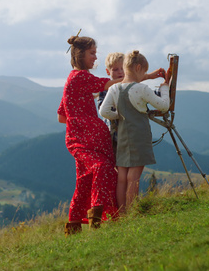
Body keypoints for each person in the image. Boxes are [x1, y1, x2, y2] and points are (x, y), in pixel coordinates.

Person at [57, 35, 123, 236]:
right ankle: (97, 219)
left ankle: (74, 226)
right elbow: (109, 84)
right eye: (92, 53)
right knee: (102, 168)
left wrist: (81, 121)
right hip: (84, 141)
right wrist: (144, 76)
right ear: (80, 55)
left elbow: (61, 116)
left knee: (84, 180)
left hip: (84, 139)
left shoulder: (73, 79)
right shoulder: (80, 77)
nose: (95, 58)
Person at [99, 50, 170, 213]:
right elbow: (163, 106)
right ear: (138, 68)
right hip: (139, 137)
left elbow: (103, 111)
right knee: (134, 177)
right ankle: (132, 212)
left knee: (122, 177)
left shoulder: (114, 89)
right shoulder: (142, 89)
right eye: (144, 72)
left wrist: (118, 116)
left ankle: (122, 213)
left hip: (122, 137)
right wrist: (164, 88)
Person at [97, 52, 125, 154]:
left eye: (123, 68)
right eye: (115, 69)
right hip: (112, 134)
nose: (120, 72)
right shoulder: (105, 89)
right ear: (108, 72)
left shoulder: (131, 87)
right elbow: (102, 108)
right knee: (115, 162)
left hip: (129, 134)